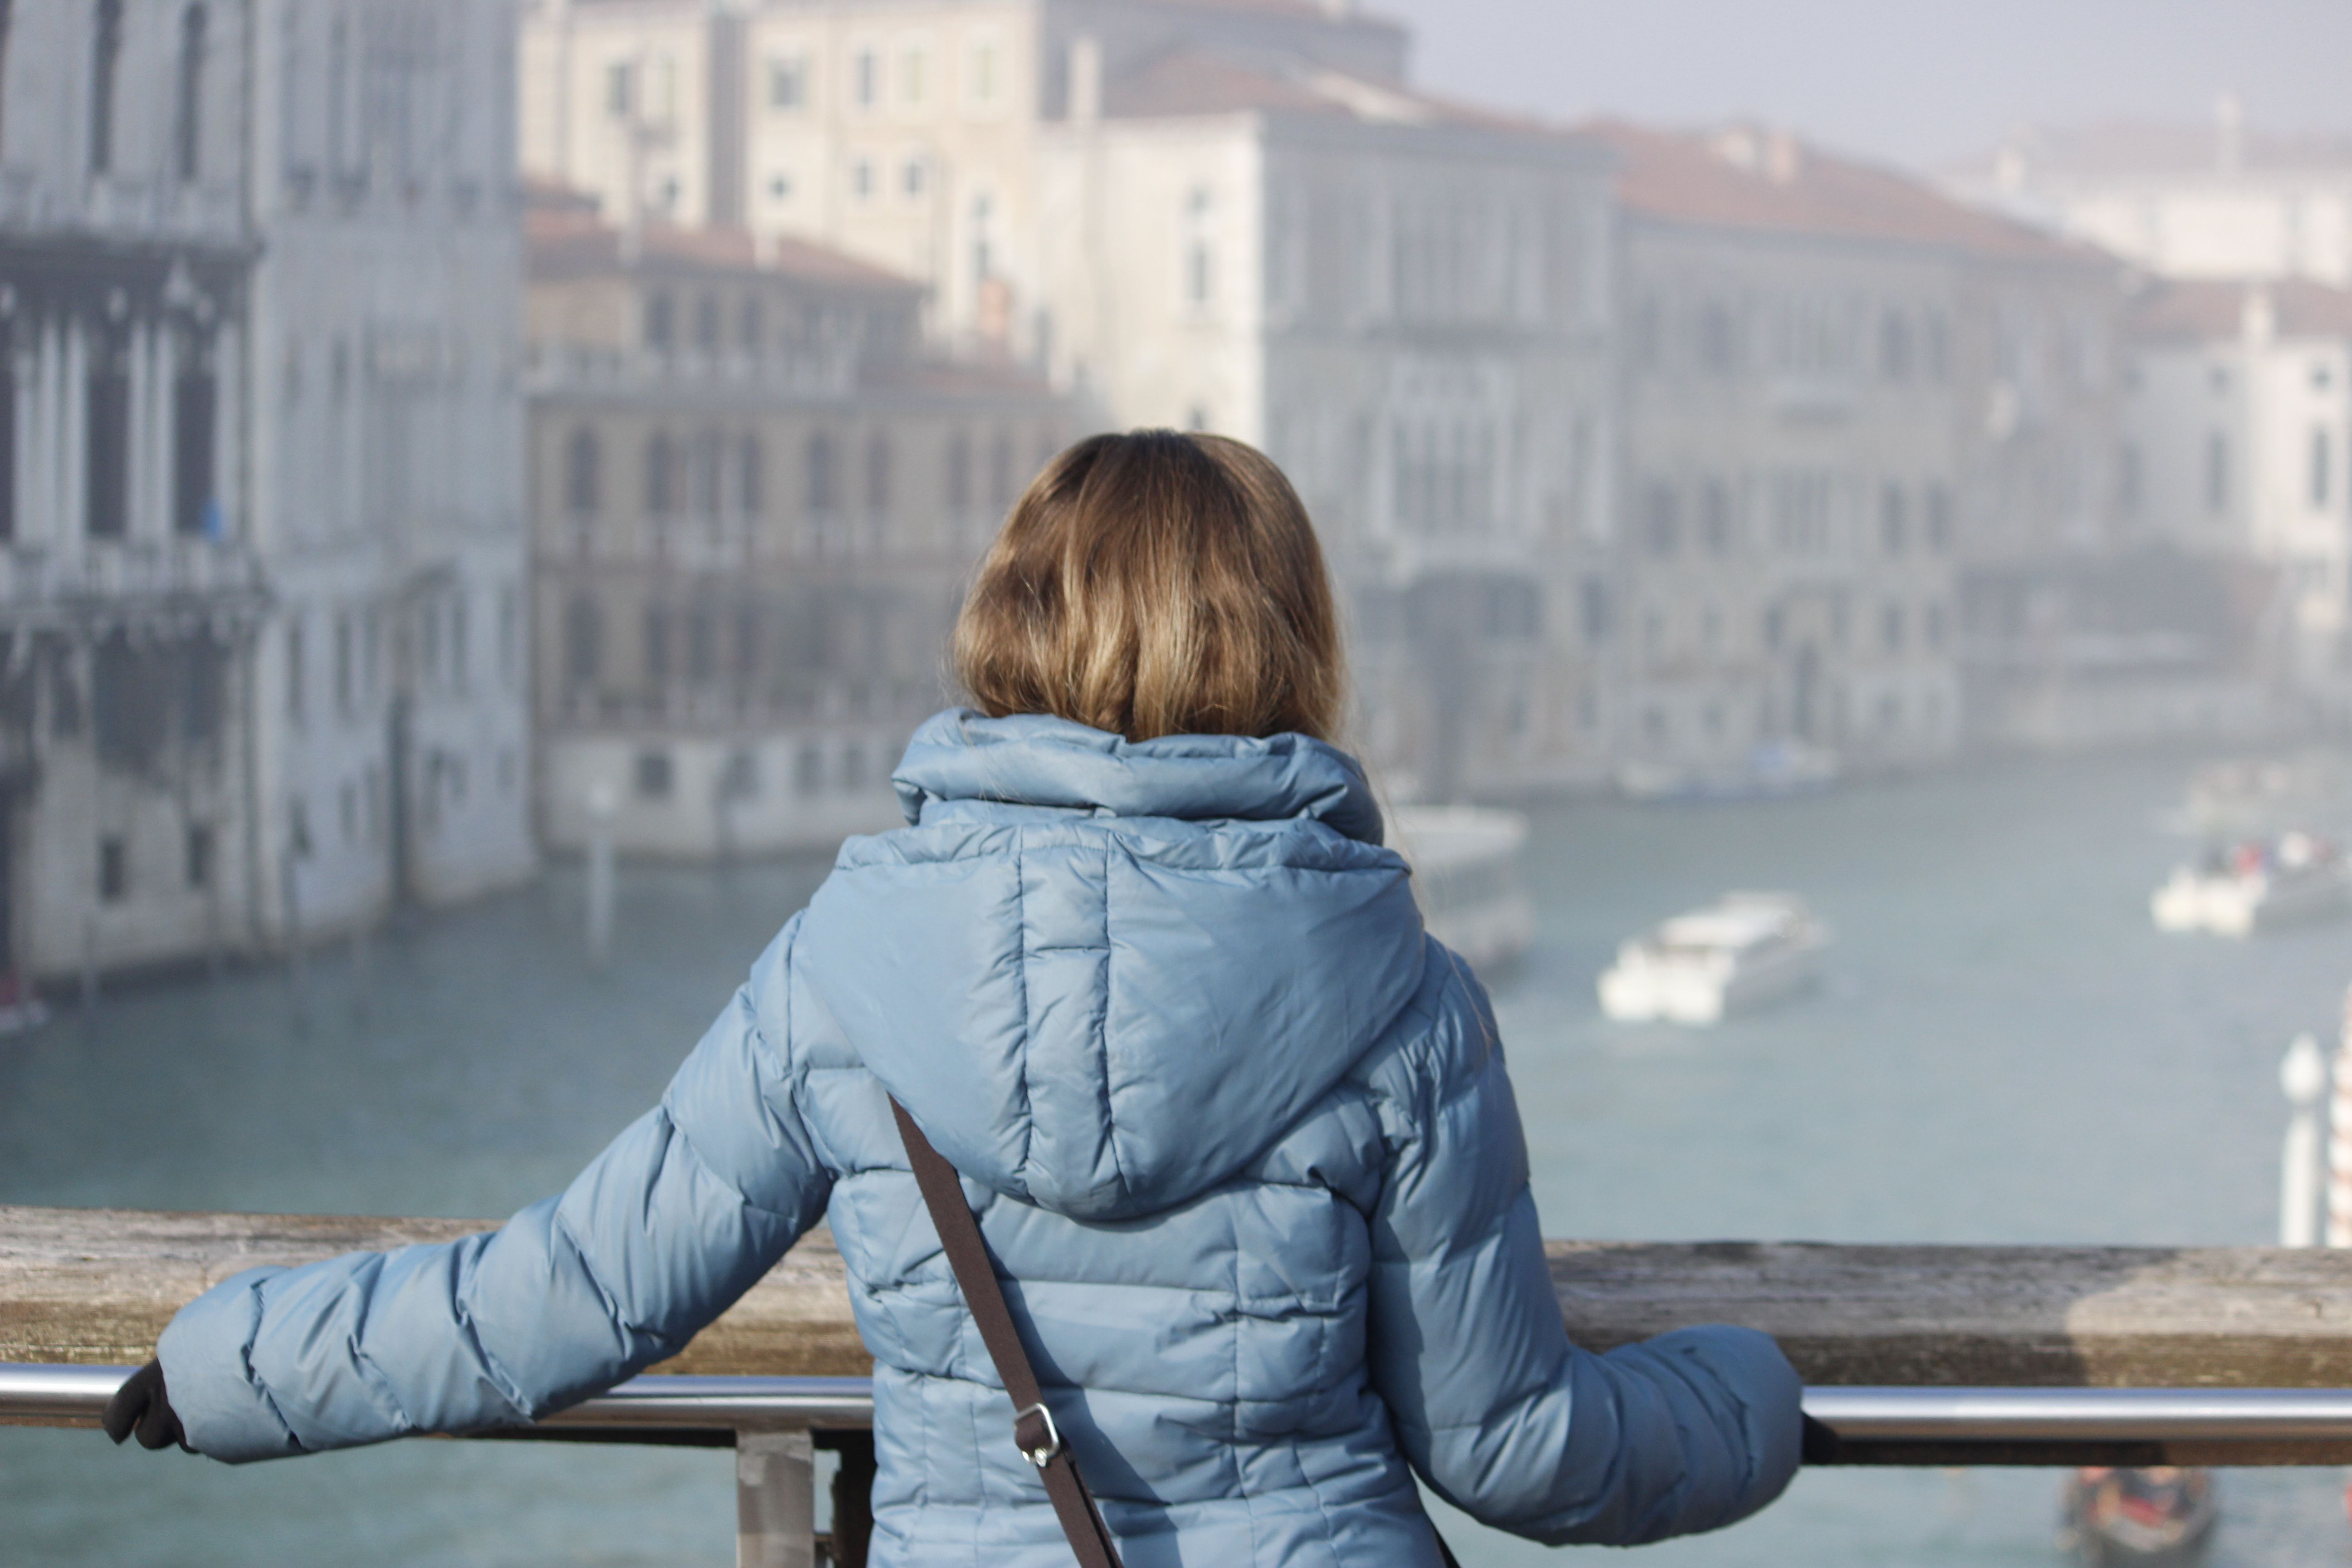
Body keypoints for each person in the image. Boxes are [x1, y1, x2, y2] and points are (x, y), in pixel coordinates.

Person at [108, 431, 1803, 1563]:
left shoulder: (847, 966)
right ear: (1287, 641)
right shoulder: (1405, 998)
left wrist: (235, 1365)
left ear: (1012, 624)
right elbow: (1513, 1450)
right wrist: (1760, 1395)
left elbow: (574, 1297)